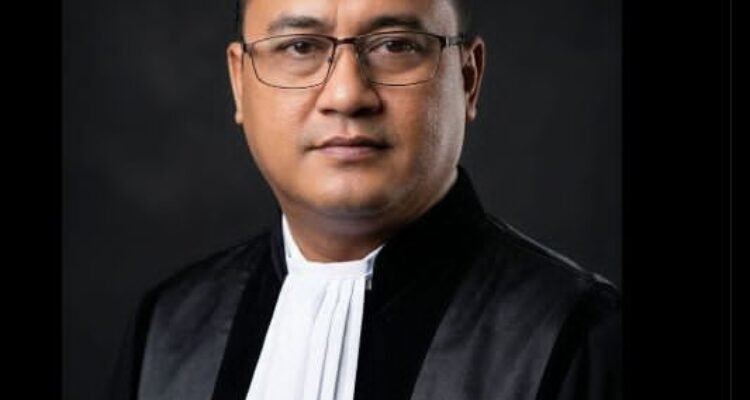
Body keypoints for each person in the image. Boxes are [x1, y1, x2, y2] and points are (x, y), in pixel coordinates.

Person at [110, 0, 622, 399]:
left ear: (468, 79)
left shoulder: (581, 338)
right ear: (240, 83)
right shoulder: (167, 332)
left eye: (395, 45)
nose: (347, 95)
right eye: (300, 47)